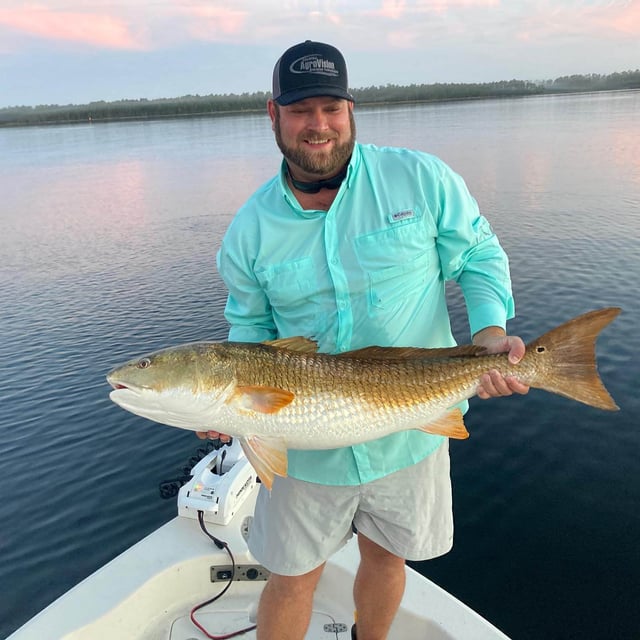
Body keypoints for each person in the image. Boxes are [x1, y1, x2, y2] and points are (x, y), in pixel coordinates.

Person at [199, 40, 529, 640]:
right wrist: (229, 407)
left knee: (386, 557)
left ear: (351, 110)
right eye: (301, 110)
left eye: (331, 107)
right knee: (292, 576)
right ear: (273, 115)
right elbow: (249, 334)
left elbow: (478, 255)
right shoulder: (249, 231)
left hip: (412, 426)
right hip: (303, 444)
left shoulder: (420, 179)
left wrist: (490, 332)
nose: (317, 125)